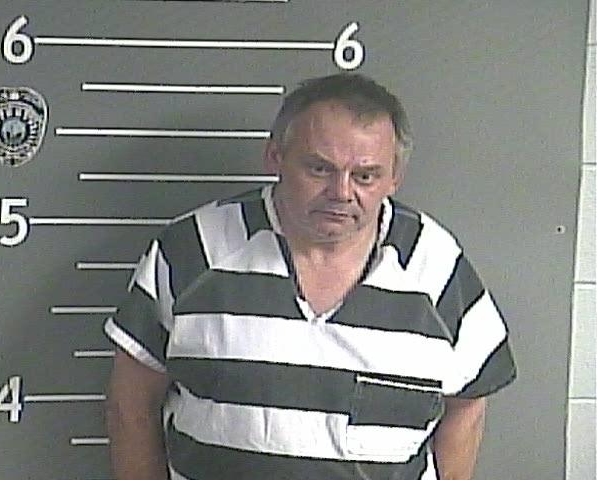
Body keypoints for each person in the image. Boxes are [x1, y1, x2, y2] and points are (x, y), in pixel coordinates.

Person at [103, 73, 516, 480]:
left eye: (365, 176)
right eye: (319, 169)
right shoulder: (191, 252)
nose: (341, 192)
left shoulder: (437, 266)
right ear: (275, 157)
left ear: (394, 178)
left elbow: (469, 402)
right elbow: (132, 403)